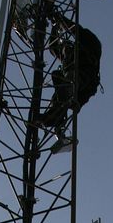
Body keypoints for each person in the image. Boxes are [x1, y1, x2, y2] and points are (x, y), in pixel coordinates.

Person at [38, 14, 101, 150]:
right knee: (59, 83)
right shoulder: (68, 53)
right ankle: (57, 123)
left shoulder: (89, 45)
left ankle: (57, 115)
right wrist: (54, 27)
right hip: (78, 86)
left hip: (84, 79)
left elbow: (73, 28)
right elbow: (53, 46)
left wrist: (58, 19)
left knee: (67, 85)